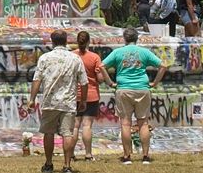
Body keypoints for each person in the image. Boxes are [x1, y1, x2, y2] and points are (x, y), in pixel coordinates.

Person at [103, 26, 166, 164]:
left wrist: (110, 82)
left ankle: (127, 157)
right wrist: (155, 82)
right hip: (142, 88)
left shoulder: (118, 52)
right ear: (137, 38)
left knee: (125, 123)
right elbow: (163, 66)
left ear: (124, 39)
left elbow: (101, 66)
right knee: (143, 123)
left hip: (124, 88)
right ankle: (145, 156)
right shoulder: (144, 52)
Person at [28, 29, 88, 173]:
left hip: (50, 101)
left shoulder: (45, 58)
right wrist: (83, 101)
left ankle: (48, 164)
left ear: (52, 41)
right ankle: (67, 166)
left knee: (48, 133)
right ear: (66, 41)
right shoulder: (75, 58)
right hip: (68, 102)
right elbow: (84, 82)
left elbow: (37, 79)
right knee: (67, 133)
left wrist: (32, 99)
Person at [72, 30, 114, 160]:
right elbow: (100, 78)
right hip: (91, 95)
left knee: (74, 126)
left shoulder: (71, 56)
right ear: (89, 41)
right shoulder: (94, 57)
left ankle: (71, 154)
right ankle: (88, 154)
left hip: (74, 95)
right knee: (86, 125)